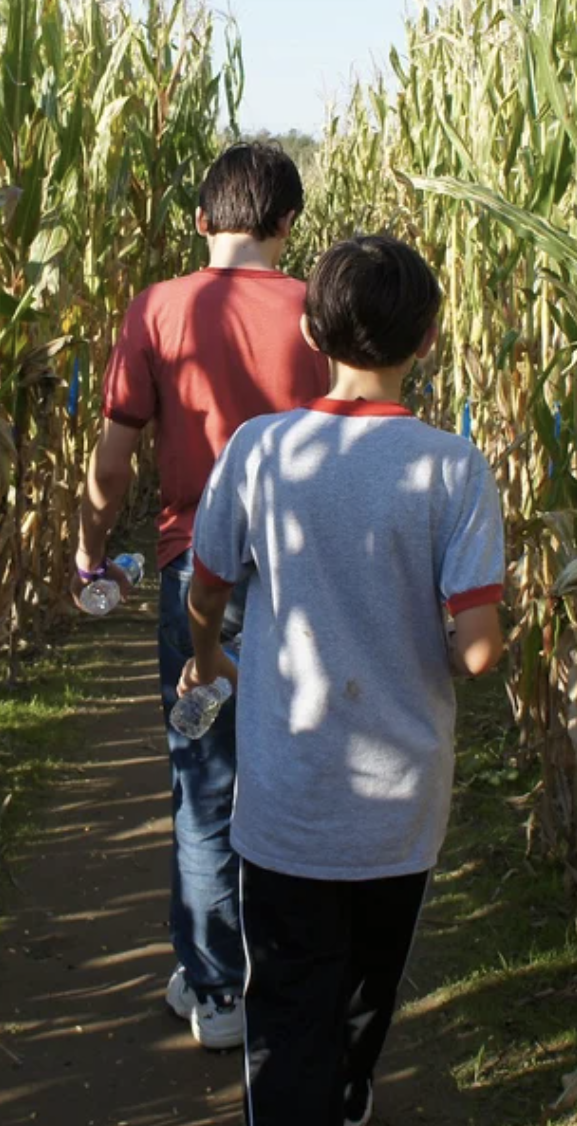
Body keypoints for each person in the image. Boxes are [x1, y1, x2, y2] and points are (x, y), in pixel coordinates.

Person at [179, 235, 507, 1126]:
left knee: (287, 1004)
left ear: (313, 331)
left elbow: (206, 590)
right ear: (428, 339)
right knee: (367, 989)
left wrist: (208, 659)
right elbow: (477, 651)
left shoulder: (260, 450)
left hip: (289, 798)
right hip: (401, 806)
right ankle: (350, 1093)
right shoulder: (454, 468)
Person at [75, 142, 330, 1050]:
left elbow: (114, 461)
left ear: (199, 222)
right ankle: (289, 978)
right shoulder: (317, 314)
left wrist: (89, 549)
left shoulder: (158, 309)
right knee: (299, 778)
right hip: (306, 578)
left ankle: (218, 987)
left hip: (197, 579)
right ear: (287, 223)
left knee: (205, 779)